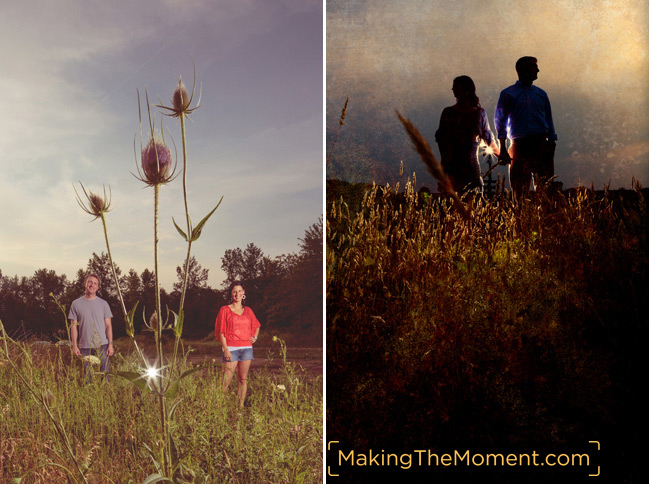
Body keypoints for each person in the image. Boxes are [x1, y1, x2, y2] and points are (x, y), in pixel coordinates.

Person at [495, 56, 557, 195]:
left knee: (545, 190)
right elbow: (501, 121)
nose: (538, 70)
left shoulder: (541, 94)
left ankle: (541, 216)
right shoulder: (508, 94)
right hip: (519, 146)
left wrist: (551, 143)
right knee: (519, 191)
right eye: (534, 67)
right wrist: (503, 148)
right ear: (524, 69)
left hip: (541, 145)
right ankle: (520, 216)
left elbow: (548, 119)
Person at [435, 75, 500, 194]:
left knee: (472, 203)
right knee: (452, 205)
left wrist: (500, 155)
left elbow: (488, 138)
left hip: (470, 167)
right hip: (451, 166)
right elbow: (441, 140)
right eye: (453, 87)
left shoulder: (479, 113)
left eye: (456, 87)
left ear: (466, 90)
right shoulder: (448, 112)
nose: (453, 90)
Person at [215, 281, 261, 408]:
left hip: (246, 348)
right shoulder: (225, 310)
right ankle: (219, 407)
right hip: (231, 348)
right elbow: (221, 331)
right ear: (231, 294)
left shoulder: (248, 311)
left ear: (244, 293)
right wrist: (226, 349)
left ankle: (240, 408)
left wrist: (255, 337)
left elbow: (256, 325)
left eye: (240, 291)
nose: (237, 294)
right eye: (234, 291)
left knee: (243, 379)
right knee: (226, 380)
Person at [68, 274, 114, 380]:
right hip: (85, 347)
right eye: (89, 282)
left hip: (102, 345)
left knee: (105, 376)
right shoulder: (76, 304)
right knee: (86, 377)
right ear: (84, 284)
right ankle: (88, 396)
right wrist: (74, 345)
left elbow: (108, 326)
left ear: (97, 287)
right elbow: (73, 327)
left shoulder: (103, 304)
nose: (92, 285)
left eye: (95, 283)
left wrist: (110, 344)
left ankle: (106, 394)